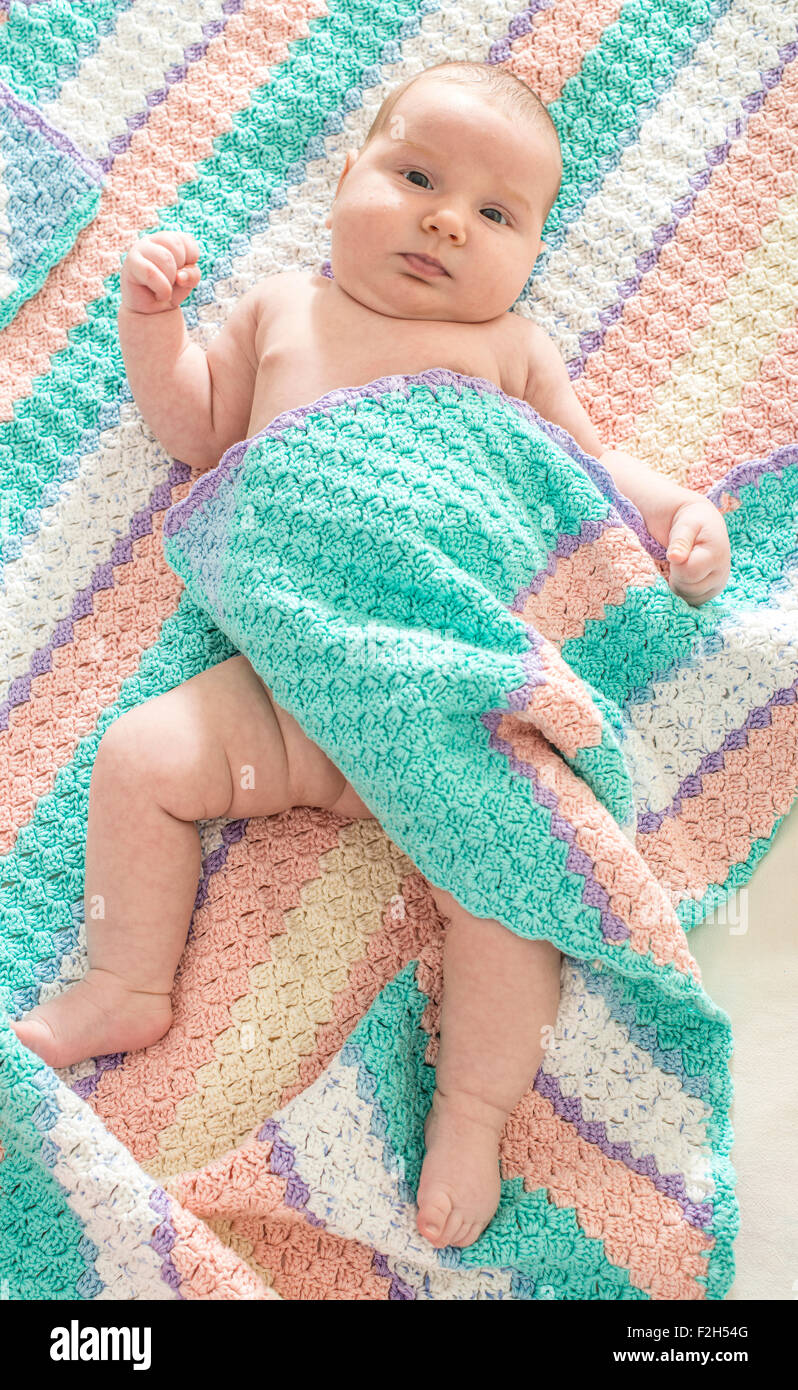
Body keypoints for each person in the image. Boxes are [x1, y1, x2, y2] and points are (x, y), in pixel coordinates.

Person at [11, 60, 731, 1251]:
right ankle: (126, 977)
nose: (448, 219)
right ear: (345, 177)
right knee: (141, 755)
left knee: (507, 888)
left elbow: (583, 482)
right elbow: (195, 428)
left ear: (532, 253)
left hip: (445, 687)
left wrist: (675, 518)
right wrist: (153, 324)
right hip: (299, 689)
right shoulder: (282, 310)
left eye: (496, 215)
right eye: (416, 178)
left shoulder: (508, 348)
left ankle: (474, 1108)